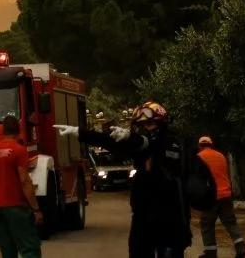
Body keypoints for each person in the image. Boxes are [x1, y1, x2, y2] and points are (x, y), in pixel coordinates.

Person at [57, 101, 192, 258]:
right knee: (137, 251)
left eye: (149, 124)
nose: (146, 129)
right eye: (142, 125)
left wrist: (133, 138)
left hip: (170, 217)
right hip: (143, 216)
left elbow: (152, 146)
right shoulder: (142, 145)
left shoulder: (172, 144)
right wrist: (80, 133)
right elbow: (111, 142)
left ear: (161, 123)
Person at [0, 113, 42, 258]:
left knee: (7, 251)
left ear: (3, 131)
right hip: (16, 208)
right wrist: (36, 209)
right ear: (18, 130)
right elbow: (24, 180)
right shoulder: (19, 150)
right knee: (30, 248)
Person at [196, 137, 245, 258]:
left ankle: (210, 252)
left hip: (210, 197)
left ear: (200, 145)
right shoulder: (221, 156)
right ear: (211, 145)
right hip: (226, 195)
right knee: (230, 222)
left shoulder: (198, 157)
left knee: (207, 224)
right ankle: (241, 247)